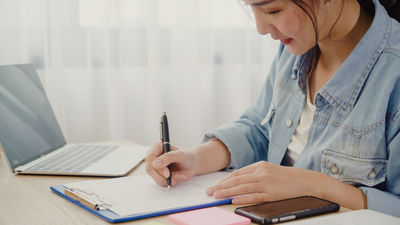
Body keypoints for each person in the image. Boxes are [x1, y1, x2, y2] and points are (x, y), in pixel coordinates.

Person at [145, 0, 400, 217]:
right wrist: (195, 159)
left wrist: (315, 185)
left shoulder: (393, 72)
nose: (260, 28)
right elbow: (260, 129)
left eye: (272, 11)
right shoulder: (297, 45)